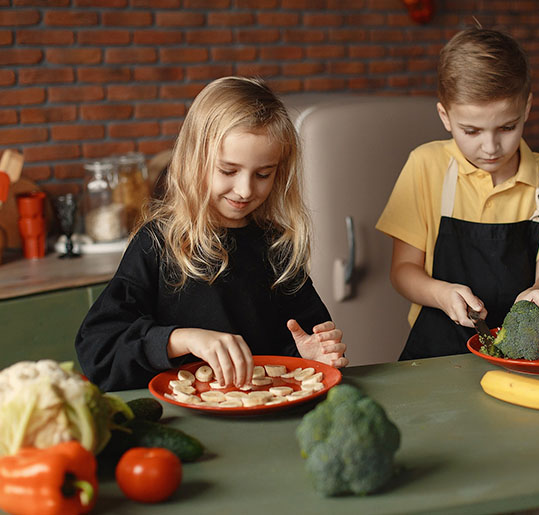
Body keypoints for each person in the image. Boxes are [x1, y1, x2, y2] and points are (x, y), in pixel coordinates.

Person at [76, 77, 348, 391]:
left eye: (263, 174)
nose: (245, 190)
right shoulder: (157, 243)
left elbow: (297, 351)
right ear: (195, 159)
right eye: (228, 171)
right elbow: (98, 350)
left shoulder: (277, 248)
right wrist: (180, 339)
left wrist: (311, 356)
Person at [376, 27, 539, 360]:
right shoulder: (425, 166)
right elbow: (403, 271)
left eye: (507, 127)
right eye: (471, 131)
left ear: (527, 109)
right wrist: (442, 294)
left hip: (525, 356)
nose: (490, 147)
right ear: (445, 116)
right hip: (436, 351)